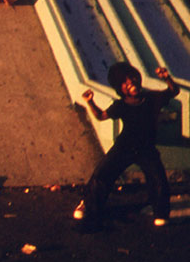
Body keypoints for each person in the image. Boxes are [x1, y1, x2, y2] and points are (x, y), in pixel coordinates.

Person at [74, 63, 180, 230]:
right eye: (125, 82)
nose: (131, 83)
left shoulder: (152, 99)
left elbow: (173, 91)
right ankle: (89, 205)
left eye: (134, 79)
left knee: (158, 179)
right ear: (120, 88)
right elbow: (101, 116)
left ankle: (161, 213)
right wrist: (90, 102)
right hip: (124, 146)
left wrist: (167, 78)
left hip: (146, 148)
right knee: (103, 173)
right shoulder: (120, 105)